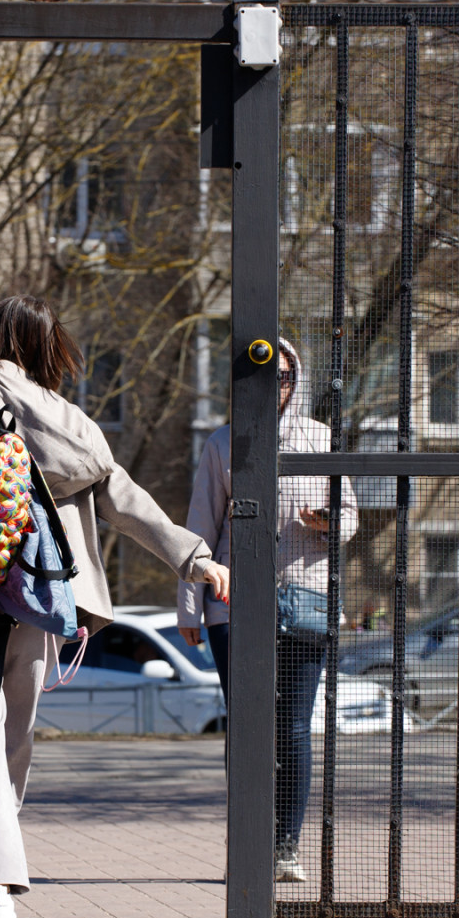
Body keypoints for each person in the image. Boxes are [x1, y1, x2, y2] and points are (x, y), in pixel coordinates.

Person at [0, 294, 232, 918]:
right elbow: (125, 500)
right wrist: (193, 556)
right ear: (47, 349)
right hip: (43, 597)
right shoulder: (77, 425)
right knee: (13, 748)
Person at [177, 338, 356, 883]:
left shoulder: (321, 440)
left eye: (281, 376)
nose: (272, 386)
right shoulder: (223, 443)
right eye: (261, 377)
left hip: (306, 598)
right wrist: (189, 608)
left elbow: (350, 518)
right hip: (236, 604)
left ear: (295, 379)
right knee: (247, 728)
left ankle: (285, 847)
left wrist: (326, 521)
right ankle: (249, 846)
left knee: (295, 729)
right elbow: (198, 530)